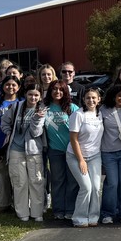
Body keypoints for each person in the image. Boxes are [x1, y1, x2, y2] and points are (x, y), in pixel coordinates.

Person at [2, 85, 47, 222]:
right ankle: (22, 213)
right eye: (30, 95)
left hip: (34, 151)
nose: (33, 98)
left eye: (36, 95)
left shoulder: (41, 110)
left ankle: (37, 212)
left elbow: (36, 133)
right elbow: (4, 122)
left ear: (39, 97)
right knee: (19, 182)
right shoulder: (16, 107)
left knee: (36, 181)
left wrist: (36, 119)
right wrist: (9, 133)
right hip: (16, 150)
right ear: (25, 95)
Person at [67, 86, 104, 227]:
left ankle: (93, 216)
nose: (91, 100)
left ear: (99, 100)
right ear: (83, 99)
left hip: (95, 155)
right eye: (88, 97)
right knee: (86, 187)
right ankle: (79, 218)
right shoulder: (78, 115)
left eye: (94, 97)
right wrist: (81, 160)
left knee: (96, 187)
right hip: (75, 156)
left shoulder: (100, 114)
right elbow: (73, 139)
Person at [45, 80, 80, 221]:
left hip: (71, 150)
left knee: (72, 181)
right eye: (54, 89)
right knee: (57, 180)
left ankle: (70, 209)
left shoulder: (73, 108)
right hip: (55, 151)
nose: (57, 92)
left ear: (65, 92)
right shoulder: (45, 108)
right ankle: (58, 209)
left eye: (60, 89)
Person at [100, 84, 121, 224]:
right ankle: (108, 213)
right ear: (113, 96)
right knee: (112, 183)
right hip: (108, 152)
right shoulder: (103, 110)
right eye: (120, 96)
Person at [0, 76, 22, 213]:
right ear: (2, 86)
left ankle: (18, 204)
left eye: (14, 85)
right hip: (1, 145)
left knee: (18, 175)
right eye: (7, 84)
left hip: (18, 145)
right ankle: (4, 203)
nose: (10, 87)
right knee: (2, 174)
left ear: (18, 87)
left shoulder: (22, 102)